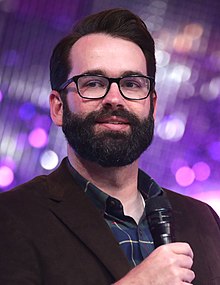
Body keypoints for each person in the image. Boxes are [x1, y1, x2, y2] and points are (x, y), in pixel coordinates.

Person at [0, 8, 219, 285]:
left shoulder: (205, 221)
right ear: (58, 107)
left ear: (151, 105)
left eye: (131, 83)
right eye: (93, 83)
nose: (115, 99)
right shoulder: (11, 218)